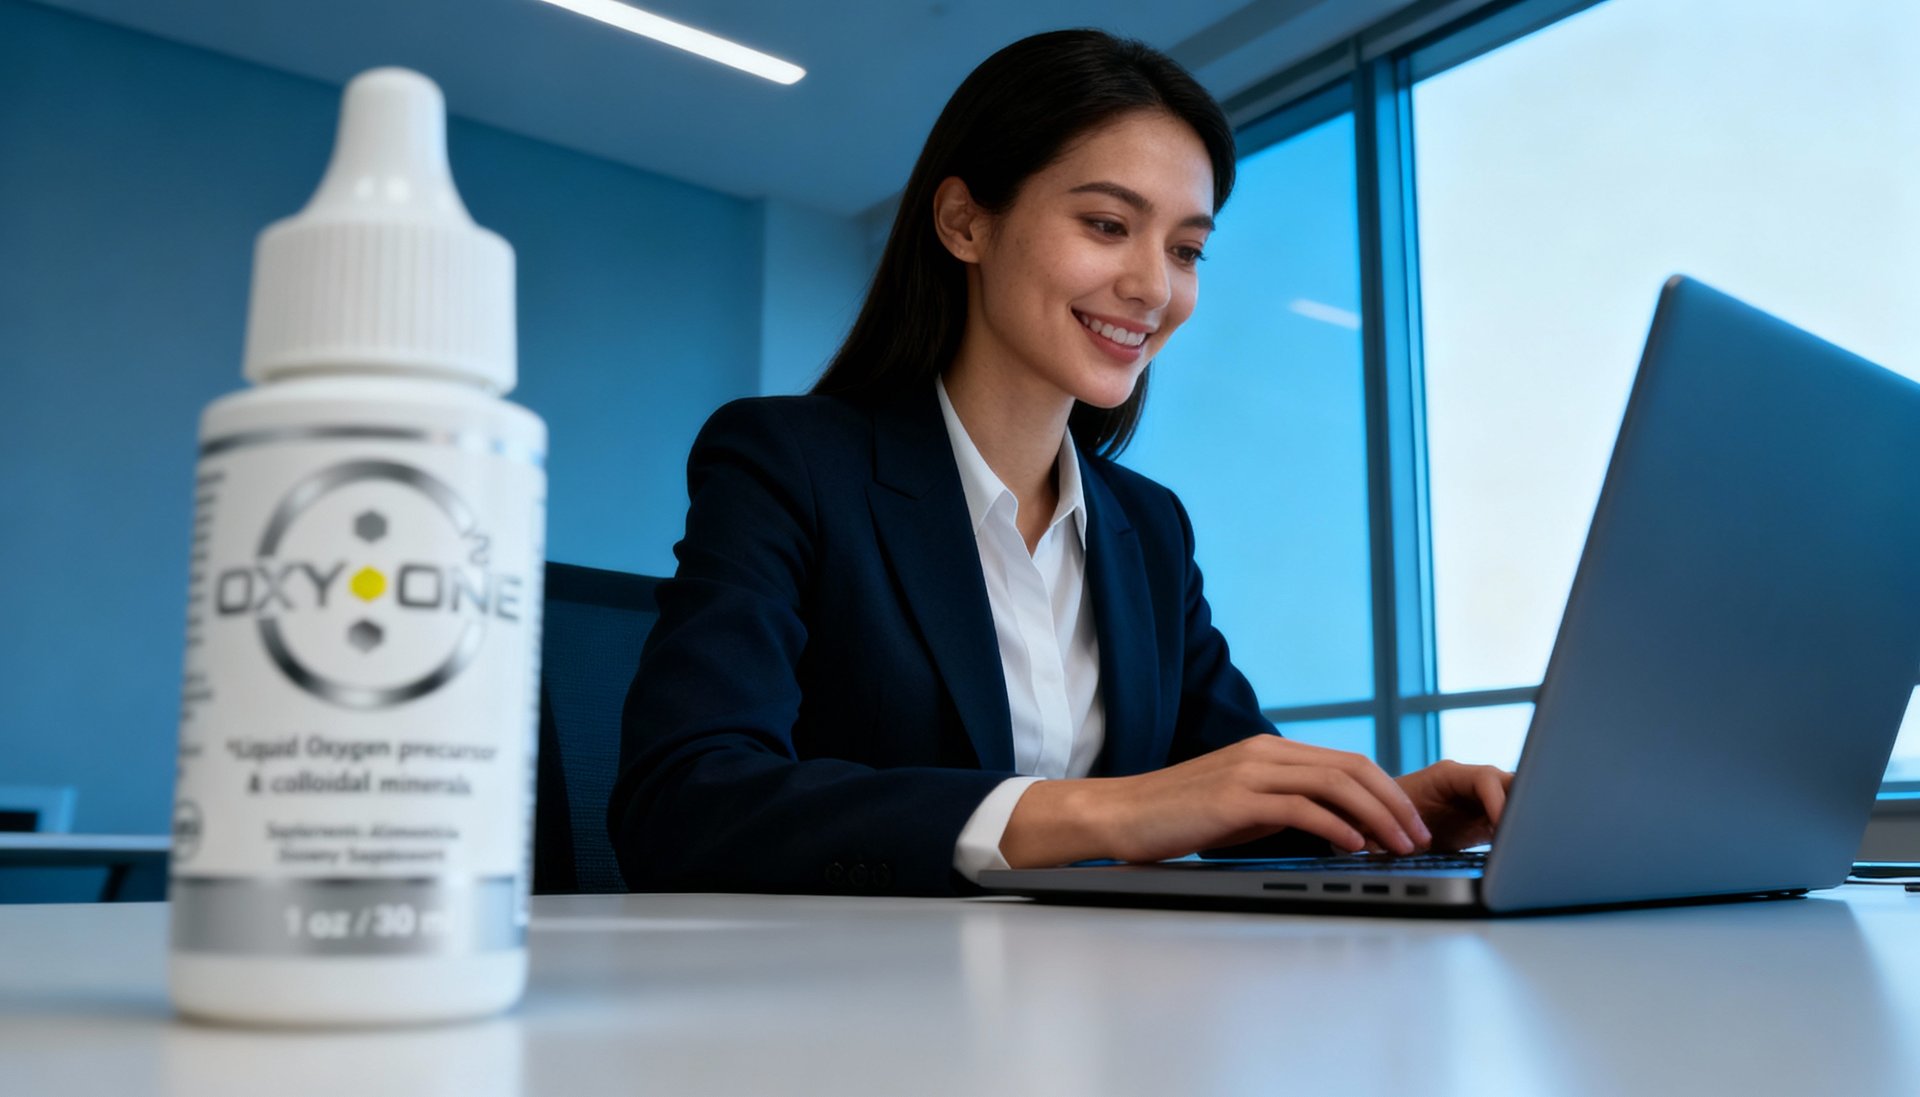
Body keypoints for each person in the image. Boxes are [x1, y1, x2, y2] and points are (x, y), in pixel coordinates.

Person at [607, 29, 1511, 896]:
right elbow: (685, 800)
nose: (1155, 288)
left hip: (1101, 1003)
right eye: (1109, 224)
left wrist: (1396, 817)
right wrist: (1104, 814)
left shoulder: (1148, 528)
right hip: (863, 1015)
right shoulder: (790, 463)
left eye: (1186, 249)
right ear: (965, 222)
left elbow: (1234, 787)